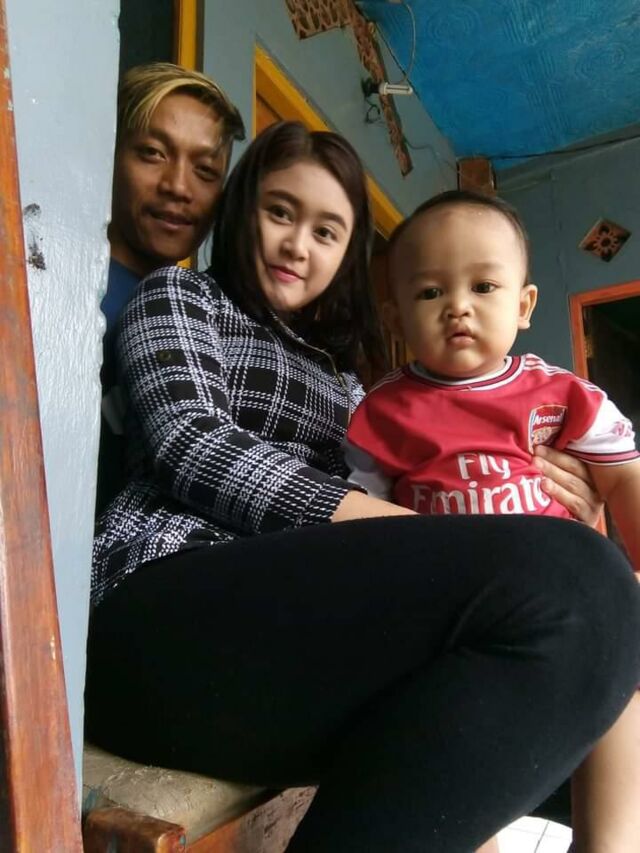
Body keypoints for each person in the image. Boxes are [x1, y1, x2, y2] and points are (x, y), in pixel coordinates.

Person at [84, 122, 640, 853]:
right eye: (279, 212)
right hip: (163, 608)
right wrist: (465, 543)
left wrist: (563, 507)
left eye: (327, 231)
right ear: (243, 208)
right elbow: (192, 444)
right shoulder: (183, 296)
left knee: (596, 631)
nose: (297, 245)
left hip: (300, 646)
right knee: (581, 582)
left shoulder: (351, 387)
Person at [344, 189, 640, 852]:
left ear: (525, 305)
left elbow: (625, 475)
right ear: (396, 316)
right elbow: (366, 527)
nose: (458, 306)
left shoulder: (561, 395)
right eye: (430, 292)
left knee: (626, 664)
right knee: (447, 727)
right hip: (455, 616)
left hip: (565, 605)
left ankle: (611, 842)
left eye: (483, 286)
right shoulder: (383, 413)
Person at [97, 62, 245, 512]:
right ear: (109, 152)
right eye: (153, 153)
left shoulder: (212, 320)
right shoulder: (50, 282)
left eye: (206, 170)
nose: (178, 187)